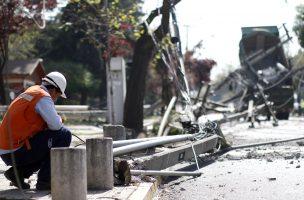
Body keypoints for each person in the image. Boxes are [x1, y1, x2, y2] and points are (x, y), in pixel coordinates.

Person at [0, 71, 72, 190]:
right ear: (54, 90)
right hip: (15, 150)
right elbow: (56, 126)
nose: (55, 99)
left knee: (49, 143)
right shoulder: (43, 97)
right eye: (57, 96)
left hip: (7, 149)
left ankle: (18, 173)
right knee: (64, 135)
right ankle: (45, 181)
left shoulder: (33, 90)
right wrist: (59, 119)